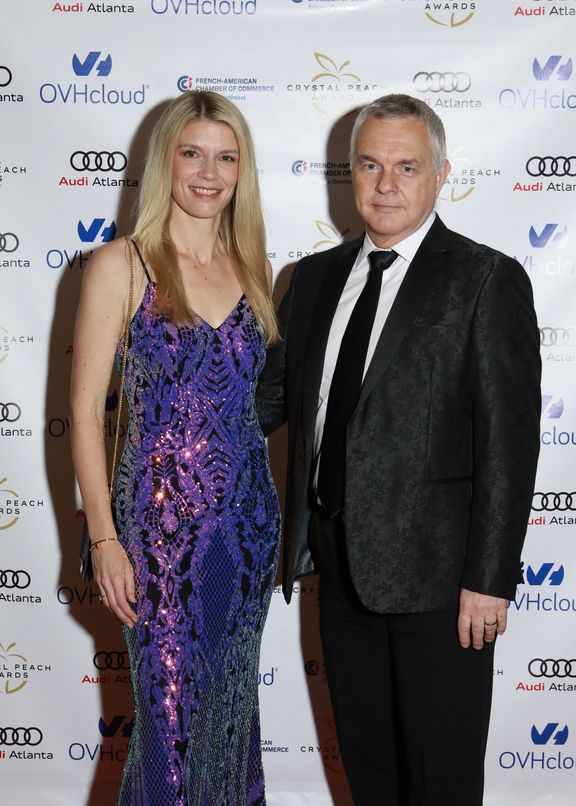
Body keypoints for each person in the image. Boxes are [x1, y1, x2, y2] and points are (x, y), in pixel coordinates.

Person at [256, 94, 541, 805]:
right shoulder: (313, 279)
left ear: (440, 174)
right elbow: (266, 402)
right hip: (337, 569)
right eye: (370, 165)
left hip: (443, 587)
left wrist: (490, 579)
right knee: (370, 773)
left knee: (440, 782)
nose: (386, 185)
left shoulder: (484, 278)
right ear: (350, 172)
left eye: (406, 167)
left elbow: (509, 443)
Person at [71, 90, 280, 806]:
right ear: (166, 161)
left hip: (247, 528)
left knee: (230, 715)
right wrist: (104, 540)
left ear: (242, 170)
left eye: (226, 157)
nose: (208, 173)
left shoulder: (252, 267)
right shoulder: (121, 265)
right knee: (167, 728)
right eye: (192, 154)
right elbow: (83, 412)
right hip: (156, 532)